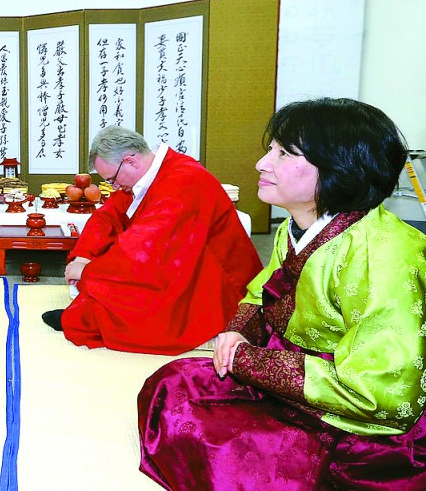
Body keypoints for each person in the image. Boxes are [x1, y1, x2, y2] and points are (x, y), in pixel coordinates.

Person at [138, 98, 426, 489]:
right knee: (170, 387)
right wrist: (238, 334)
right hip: (288, 375)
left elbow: (379, 387)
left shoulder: (387, 253)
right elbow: (262, 293)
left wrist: (248, 362)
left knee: (238, 459)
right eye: (270, 149)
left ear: (342, 169)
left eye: (285, 153)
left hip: (350, 417)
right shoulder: (294, 225)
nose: (262, 163)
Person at [42, 125, 263, 355]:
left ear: (130, 161)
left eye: (113, 179)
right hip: (183, 263)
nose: (114, 187)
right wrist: (84, 256)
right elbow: (108, 216)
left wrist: (88, 272)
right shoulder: (157, 172)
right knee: (106, 286)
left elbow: (140, 250)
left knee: (121, 303)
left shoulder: (182, 179)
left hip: (216, 285)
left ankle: (88, 316)